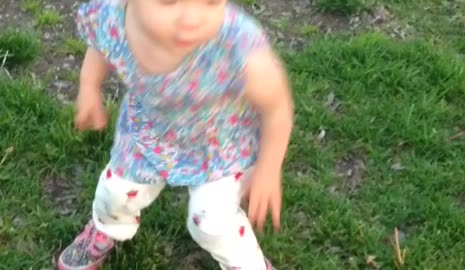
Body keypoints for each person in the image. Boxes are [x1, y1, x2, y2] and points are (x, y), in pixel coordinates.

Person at [57, 0, 294, 269]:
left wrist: (268, 168)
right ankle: (106, 227)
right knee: (116, 193)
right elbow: (101, 44)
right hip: (150, 132)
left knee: (213, 223)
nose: (192, 18)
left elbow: (277, 108)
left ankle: (249, 263)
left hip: (221, 146)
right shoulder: (114, 15)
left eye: (211, 2)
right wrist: (89, 86)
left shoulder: (238, 47)